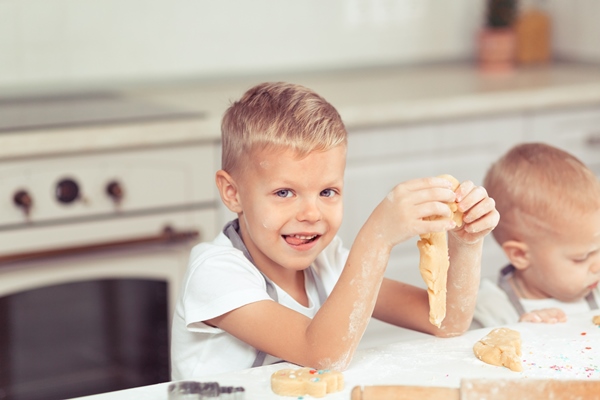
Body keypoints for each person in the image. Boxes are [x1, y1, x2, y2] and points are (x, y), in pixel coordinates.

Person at [170, 82, 499, 379]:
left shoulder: (327, 263)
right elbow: (320, 354)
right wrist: (377, 238)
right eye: (284, 193)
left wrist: (466, 244)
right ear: (233, 193)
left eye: (327, 192)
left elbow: (445, 323)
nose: (311, 214)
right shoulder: (215, 272)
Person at [472, 142, 600, 329]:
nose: (597, 265)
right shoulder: (490, 310)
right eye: (581, 257)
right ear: (520, 255)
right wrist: (524, 331)